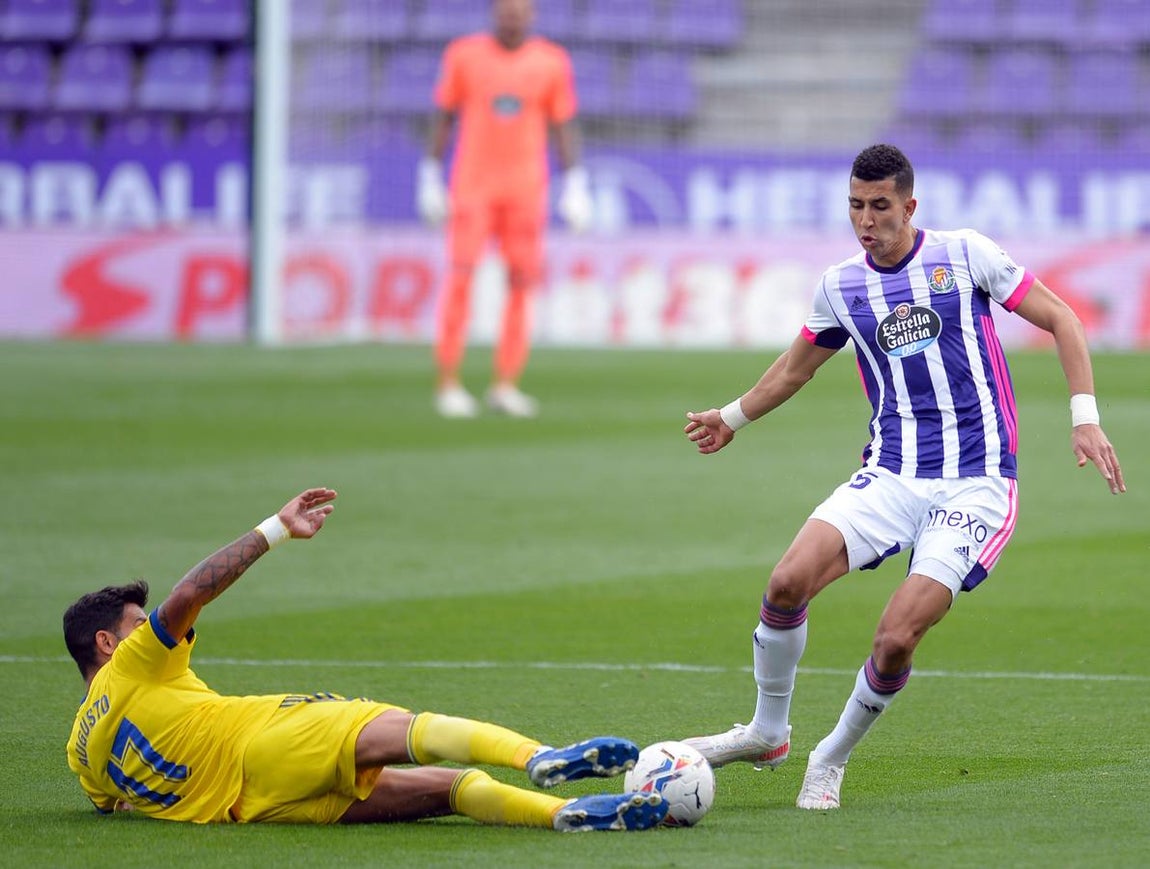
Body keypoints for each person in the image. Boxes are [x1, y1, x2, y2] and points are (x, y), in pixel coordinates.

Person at [680, 144, 1125, 811]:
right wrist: (731, 418)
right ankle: (768, 731)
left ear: (909, 205)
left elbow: (1061, 317)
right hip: (891, 472)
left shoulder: (964, 254)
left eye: (880, 205)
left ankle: (830, 756)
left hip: (975, 481)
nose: (866, 219)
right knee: (786, 580)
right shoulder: (842, 285)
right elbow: (795, 368)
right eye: (856, 205)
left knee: (895, 637)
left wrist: (1083, 416)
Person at [63, 488, 666, 831]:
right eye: (136, 626)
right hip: (263, 740)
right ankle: (539, 757)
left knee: (447, 790)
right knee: (413, 732)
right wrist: (275, 528)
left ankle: (565, 813)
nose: (152, 631)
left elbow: (113, 805)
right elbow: (191, 593)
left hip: (257, 810)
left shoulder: (80, 751)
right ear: (108, 645)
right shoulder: (134, 663)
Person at [417, 0, 592, 418]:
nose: (512, 19)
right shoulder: (464, 55)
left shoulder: (551, 61)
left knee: (521, 284)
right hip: (473, 186)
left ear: (531, 16)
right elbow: (444, 115)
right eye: (505, 11)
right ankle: (448, 382)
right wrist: (429, 174)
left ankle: (505, 383)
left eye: (520, 12)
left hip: (526, 190)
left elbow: (562, 123)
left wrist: (574, 183)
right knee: (460, 279)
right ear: (494, 14)